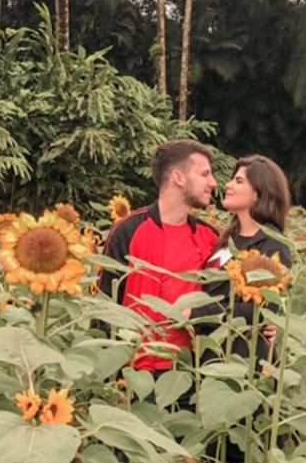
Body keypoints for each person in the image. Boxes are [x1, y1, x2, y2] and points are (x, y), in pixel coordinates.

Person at [99, 139, 218, 374]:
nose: (212, 182)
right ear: (178, 177)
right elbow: (104, 305)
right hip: (133, 371)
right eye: (205, 174)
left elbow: (226, 301)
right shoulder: (129, 230)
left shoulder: (210, 237)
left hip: (189, 373)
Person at [185, 154, 292, 363]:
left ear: (258, 194)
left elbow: (262, 308)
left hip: (245, 358)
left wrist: (196, 312)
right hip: (212, 352)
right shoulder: (227, 238)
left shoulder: (272, 243)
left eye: (239, 181)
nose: (228, 185)